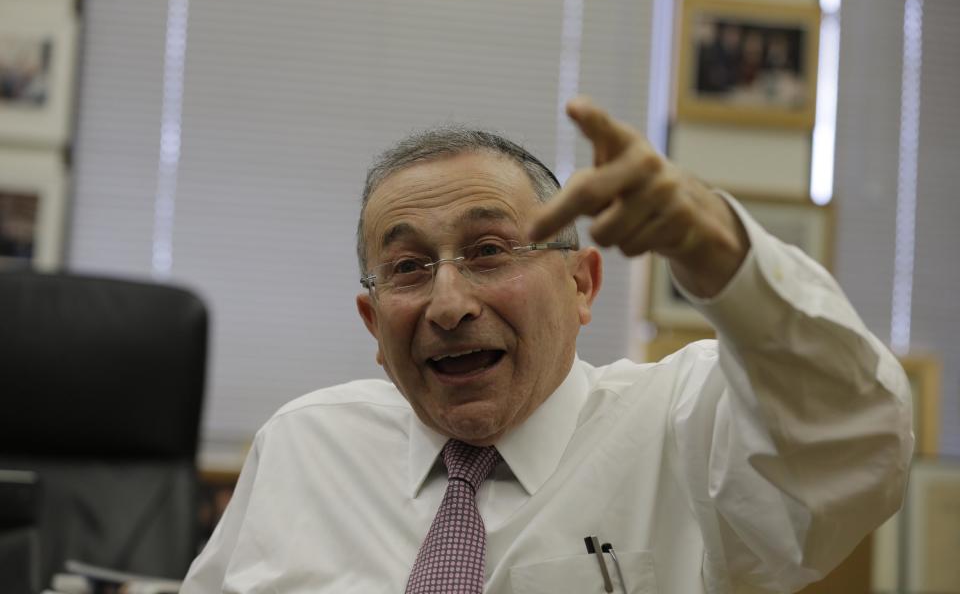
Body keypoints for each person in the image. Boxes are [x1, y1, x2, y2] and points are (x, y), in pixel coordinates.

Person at [180, 97, 912, 593]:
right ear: (375, 326)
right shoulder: (303, 449)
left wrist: (725, 253)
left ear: (583, 284)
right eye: (408, 269)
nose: (449, 304)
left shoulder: (682, 426)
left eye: (490, 250)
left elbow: (857, 445)